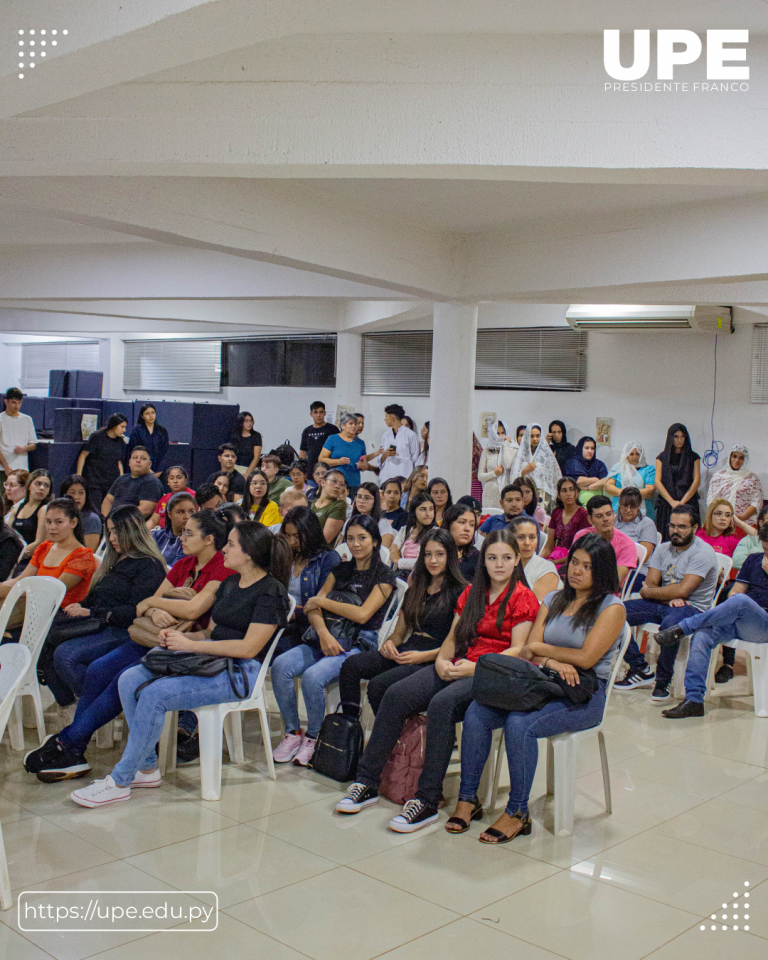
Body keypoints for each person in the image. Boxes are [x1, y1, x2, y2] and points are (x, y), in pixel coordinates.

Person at [69, 521, 291, 808]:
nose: (224, 548)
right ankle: (146, 768)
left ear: (249, 553)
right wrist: (177, 638)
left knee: (154, 693)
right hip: (210, 656)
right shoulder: (230, 583)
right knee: (130, 678)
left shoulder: (270, 591)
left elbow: (249, 648)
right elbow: (211, 632)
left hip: (240, 673)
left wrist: (191, 645)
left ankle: (121, 780)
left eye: (231, 544)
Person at [335, 530, 538, 830]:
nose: (499, 564)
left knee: (442, 704)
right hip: (458, 662)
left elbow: (518, 650)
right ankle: (366, 781)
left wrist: (475, 668)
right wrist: (443, 659)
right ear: (483, 561)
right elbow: (454, 636)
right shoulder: (472, 593)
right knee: (395, 694)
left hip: (495, 672)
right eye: (492, 558)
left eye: (506, 558)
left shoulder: (523, 597)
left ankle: (427, 800)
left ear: (516, 559)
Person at [27, 511, 230, 779]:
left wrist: (154, 605)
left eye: (189, 533)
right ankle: (74, 749)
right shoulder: (183, 565)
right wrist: (155, 610)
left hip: (186, 644)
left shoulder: (221, 567)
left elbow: (193, 610)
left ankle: (68, 742)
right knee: (98, 669)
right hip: (152, 636)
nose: (182, 537)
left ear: (209, 539)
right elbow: (144, 606)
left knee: (121, 679)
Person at [453, 534, 625, 842]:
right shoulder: (553, 599)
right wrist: (552, 661)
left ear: (603, 572)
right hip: (543, 679)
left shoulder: (612, 608)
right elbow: (530, 649)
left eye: (587, 566)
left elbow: (587, 658)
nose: (577, 571)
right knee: (477, 712)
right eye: (574, 562)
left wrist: (548, 654)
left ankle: (518, 811)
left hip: (583, 691)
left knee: (521, 724)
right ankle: (468, 798)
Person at [271, 514, 396, 766]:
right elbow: (311, 609)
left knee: (313, 677)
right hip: (326, 634)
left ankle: (315, 737)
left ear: (375, 541)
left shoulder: (383, 576)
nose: (355, 544)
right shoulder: (341, 569)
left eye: (362, 538)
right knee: (280, 666)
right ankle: (293, 731)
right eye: (350, 538)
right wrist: (324, 634)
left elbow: (362, 615)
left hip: (359, 642)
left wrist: (323, 602)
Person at [32, 506, 167, 713]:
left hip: (126, 629)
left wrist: (93, 613)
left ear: (131, 531)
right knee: (42, 645)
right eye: (109, 531)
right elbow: (98, 596)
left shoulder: (148, 564)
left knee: (66, 656)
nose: (111, 537)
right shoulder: (115, 560)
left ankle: (99, 708)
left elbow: (135, 610)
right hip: (100, 623)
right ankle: (79, 705)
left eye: (116, 531)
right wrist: (82, 605)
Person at [338, 529, 466, 717]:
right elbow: (398, 634)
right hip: (408, 649)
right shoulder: (416, 590)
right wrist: (390, 643)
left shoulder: (461, 591)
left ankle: (398, 740)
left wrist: (422, 657)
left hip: (436, 657)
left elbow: (461, 645)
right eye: (428, 555)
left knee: (378, 686)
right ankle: (349, 728)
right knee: (351, 665)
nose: (433, 561)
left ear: (450, 557)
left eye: (440, 555)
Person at [656, 523, 768, 718]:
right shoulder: (754, 560)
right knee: (703, 634)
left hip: (763, 624)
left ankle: (683, 628)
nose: (767, 554)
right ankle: (694, 700)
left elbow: (741, 599)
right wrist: (730, 608)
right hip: (739, 618)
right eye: (765, 549)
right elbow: (736, 592)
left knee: (741, 602)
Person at [615, 505, 719, 701]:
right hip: (664, 603)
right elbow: (650, 585)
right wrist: (668, 594)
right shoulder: (663, 549)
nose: (675, 531)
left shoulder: (702, 552)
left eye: (682, 527)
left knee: (670, 627)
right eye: (672, 526)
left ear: (695, 527)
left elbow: (683, 591)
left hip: (693, 608)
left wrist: (663, 592)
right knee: (614, 613)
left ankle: (663, 681)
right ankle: (640, 669)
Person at [0, 498, 96, 629]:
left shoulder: (82, 557)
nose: (52, 527)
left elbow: (50, 592)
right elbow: (21, 580)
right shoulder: (44, 547)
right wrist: (3, 587)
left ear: (73, 522)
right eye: (48, 522)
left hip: (58, 614)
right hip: (33, 604)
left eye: (58, 522)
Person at [279, 505, 342, 656]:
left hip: (308, 629)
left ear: (310, 532)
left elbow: (324, 606)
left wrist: (294, 614)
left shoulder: (328, 559)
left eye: (297, 536)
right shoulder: (286, 554)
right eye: (288, 536)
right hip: (282, 622)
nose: (292, 541)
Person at [572, 495, 638, 587]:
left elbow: (615, 581)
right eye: (599, 516)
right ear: (590, 519)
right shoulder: (582, 536)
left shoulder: (627, 545)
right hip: (579, 587)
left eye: (608, 514)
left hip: (606, 594)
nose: (606, 519)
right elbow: (572, 568)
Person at [655, 423, 701, 541]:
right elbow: (657, 482)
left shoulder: (693, 457)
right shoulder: (662, 457)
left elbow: (696, 481)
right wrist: (671, 502)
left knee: (688, 538)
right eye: (676, 436)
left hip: (688, 502)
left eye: (682, 436)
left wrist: (682, 502)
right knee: (666, 538)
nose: (679, 439)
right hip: (666, 503)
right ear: (670, 437)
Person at [76, 413, 127, 508]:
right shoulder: (97, 437)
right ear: (114, 425)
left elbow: (119, 462)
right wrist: (79, 476)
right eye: (122, 427)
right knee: (95, 509)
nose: (124, 430)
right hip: (95, 482)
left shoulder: (121, 442)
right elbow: (83, 455)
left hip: (111, 482)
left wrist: (121, 479)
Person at [706, 445, 763, 524]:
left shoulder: (752, 478)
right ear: (730, 457)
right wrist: (722, 517)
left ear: (745, 459)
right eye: (734, 456)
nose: (737, 460)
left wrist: (741, 518)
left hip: (744, 523)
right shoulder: (718, 476)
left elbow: (757, 502)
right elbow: (711, 500)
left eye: (741, 458)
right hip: (720, 521)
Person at [613, 486, 657, 589]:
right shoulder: (613, 521)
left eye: (633, 506)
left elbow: (643, 557)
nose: (628, 510)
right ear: (619, 504)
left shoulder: (647, 524)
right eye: (624, 505)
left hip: (637, 571)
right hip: (613, 568)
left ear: (639, 506)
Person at [101, 447, 164, 518]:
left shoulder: (151, 482)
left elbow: (146, 510)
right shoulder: (121, 479)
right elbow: (108, 501)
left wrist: (118, 520)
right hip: (112, 522)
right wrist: (107, 520)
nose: (138, 461)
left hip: (132, 525)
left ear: (149, 464)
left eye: (143, 458)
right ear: (129, 462)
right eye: (135, 457)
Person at [366, 404, 420, 485]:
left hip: (405, 477)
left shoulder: (411, 435)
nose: (385, 419)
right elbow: (381, 460)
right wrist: (385, 454)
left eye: (386, 416)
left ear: (393, 418)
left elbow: (415, 459)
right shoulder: (386, 435)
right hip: (387, 476)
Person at [508, 515, 560, 601]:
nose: (527, 543)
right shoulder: (504, 564)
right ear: (510, 539)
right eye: (521, 537)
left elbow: (537, 610)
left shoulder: (546, 569)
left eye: (532, 537)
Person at [511, 423, 561, 510]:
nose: (535, 439)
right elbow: (513, 478)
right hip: (523, 495)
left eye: (538, 436)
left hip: (542, 495)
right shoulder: (520, 455)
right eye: (532, 436)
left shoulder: (546, 455)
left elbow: (553, 477)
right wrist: (524, 472)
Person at [542, 476, 591, 564]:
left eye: (571, 489)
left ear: (577, 492)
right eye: (564, 490)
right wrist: (538, 559)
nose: (568, 494)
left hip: (574, 559)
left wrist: (556, 562)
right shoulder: (556, 512)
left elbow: (581, 548)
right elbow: (549, 545)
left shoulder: (584, 515)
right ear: (558, 495)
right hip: (555, 557)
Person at [9, 469, 53, 565]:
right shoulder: (16, 509)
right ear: (29, 485)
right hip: (14, 557)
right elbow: (8, 536)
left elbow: (39, 542)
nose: (42, 488)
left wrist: (19, 553)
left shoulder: (44, 510)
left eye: (46, 486)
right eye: (38, 483)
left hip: (31, 561)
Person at [319, 412, 367, 497]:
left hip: (353, 483)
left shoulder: (361, 443)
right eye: (350, 423)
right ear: (342, 426)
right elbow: (321, 459)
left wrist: (362, 466)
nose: (354, 426)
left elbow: (364, 464)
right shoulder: (332, 439)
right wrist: (339, 461)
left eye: (355, 424)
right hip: (335, 484)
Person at [605, 441, 657, 520]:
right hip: (618, 509)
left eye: (638, 454)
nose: (635, 457)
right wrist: (622, 493)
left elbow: (650, 490)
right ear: (626, 455)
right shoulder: (618, 468)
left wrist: (630, 495)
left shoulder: (648, 469)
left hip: (644, 510)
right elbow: (608, 486)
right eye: (631, 454)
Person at [390, 492, 436, 572]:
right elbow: (393, 552)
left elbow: (424, 562)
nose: (428, 514)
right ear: (414, 512)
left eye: (431, 509)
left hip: (421, 576)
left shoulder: (436, 533)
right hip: (401, 574)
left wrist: (398, 561)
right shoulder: (404, 530)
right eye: (423, 509)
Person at [151, 491, 197, 566]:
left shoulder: (193, 541)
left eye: (191, 511)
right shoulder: (156, 535)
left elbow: (176, 571)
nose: (187, 516)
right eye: (181, 512)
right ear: (169, 514)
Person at [344, 482, 395, 548]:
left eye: (367, 498)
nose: (362, 501)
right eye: (359, 497)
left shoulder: (382, 523)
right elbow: (343, 546)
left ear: (375, 501)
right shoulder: (349, 520)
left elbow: (383, 550)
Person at [59, 475, 103, 552]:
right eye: (72, 492)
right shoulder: (57, 514)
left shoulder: (92, 519)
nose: (77, 497)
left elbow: (89, 552)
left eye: (81, 493)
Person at [0, 387, 37, 478]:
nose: (17, 406)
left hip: (22, 468)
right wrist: (6, 467)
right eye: (13, 402)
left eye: (19, 403)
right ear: (6, 401)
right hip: (3, 469)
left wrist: (24, 448)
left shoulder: (27, 419)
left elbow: (33, 444)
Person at [478, 421, 515, 508]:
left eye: (503, 433)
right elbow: (480, 476)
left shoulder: (512, 448)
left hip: (506, 494)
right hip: (489, 494)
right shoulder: (487, 450)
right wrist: (494, 473)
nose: (500, 436)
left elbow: (508, 464)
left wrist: (506, 444)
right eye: (497, 433)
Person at [146, 466, 195, 530]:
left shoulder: (192, 497)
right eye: (171, 478)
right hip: (160, 532)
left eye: (179, 478)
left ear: (186, 480)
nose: (175, 481)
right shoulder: (164, 498)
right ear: (168, 482)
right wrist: (141, 533)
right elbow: (153, 521)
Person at [127, 404, 169, 478]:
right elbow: (134, 451)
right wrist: (148, 470)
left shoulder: (162, 431)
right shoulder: (136, 431)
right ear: (142, 416)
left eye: (153, 413)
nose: (151, 416)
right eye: (147, 413)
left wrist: (159, 471)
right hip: (141, 470)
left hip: (159, 472)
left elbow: (165, 452)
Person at [443, 503, 481, 582]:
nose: (467, 529)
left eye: (471, 524)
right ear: (448, 524)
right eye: (462, 522)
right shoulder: (435, 552)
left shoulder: (477, 558)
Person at [564, 437, 608, 505]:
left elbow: (605, 481)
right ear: (581, 448)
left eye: (592, 448)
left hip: (596, 504)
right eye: (587, 448)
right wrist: (595, 479)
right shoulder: (572, 463)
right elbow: (577, 481)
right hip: (575, 504)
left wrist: (588, 488)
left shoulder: (599, 464)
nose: (590, 451)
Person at [300, 401, 340, 473]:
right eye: (315, 412)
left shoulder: (333, 429)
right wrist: (302, 470)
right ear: (311, 414)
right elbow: (303, 452)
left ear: (325, 413)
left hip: (329, 471)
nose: (318, 415)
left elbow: (339, 450)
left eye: (321, 412)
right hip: (311, 472)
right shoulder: (307, 431)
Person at [310, 468, 347, 544]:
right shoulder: (309, 503)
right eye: (334, 481)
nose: (337, 486)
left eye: (341, 484)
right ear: (323, 482)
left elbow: (325, 539)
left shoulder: (339, 505)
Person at [732, 505, 768, 571]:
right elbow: (736, 562)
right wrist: (763, 563)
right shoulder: (748, 540)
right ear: (761, 523)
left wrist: (751, 556)